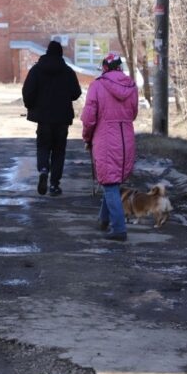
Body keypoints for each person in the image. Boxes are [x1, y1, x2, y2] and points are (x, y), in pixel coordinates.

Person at [81, 53, 138, 241]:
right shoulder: (131, 86)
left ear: (104, 67)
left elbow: (89, 118)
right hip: (126, 139)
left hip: (105, 139)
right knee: (113, 181)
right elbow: (133, 113)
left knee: (110, 183)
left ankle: (119, 228)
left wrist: (87, 138)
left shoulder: (97, 86)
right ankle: (103, 220)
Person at [22, 40, 82, 196]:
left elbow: (27, 91)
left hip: (43, 119)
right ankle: (54, 185)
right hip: (62, 119)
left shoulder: (36, 70)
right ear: (61, 54)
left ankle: (43, 170)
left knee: (43, 147)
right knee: (58, 151)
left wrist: (31, 106)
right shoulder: (68, 71)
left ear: (47, 52)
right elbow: (76, 93)